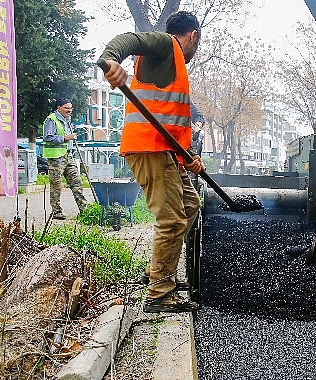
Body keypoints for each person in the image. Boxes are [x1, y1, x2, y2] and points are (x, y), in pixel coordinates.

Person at [99, 11, 205, 313]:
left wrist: (190, 160)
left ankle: (157, 270)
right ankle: (160, 293)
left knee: (190, 206)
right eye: (198, 43)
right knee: (172, 219)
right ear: (193, 36)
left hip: (166, 151)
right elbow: (129, 40)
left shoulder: (171, 66)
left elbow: (170, 124)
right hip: (149, 148)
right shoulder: (165, 44)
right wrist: (111, 61)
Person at [42, 98, 88, 220]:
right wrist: (66, 138)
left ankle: (84, 209)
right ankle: (56, 211)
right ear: (59, 108)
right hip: (55, 157)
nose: (69, 110)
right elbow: (48, 137)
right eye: (67, 108)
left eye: (70, 108)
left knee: (76, 181)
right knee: (56, 185)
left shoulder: (67, 120)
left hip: (68, 155)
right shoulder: (51, 120)